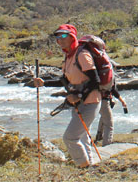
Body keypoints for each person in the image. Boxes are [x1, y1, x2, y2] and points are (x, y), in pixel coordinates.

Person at [33, 24, 101, 167]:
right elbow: (64, 81)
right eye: (58, 37)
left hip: (90, 102)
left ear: (72, 37)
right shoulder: (69, 56)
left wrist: (79, 95)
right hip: (78, 102)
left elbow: (95, 80)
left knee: (70, 138)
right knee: (82, 137)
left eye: (64, 36)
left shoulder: (82, 55)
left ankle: (83, 167)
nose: (60, 39)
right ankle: (90, 167)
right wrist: (44, 83)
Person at [95, 81, 127, 146]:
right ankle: (107, 145)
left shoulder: (98, 72)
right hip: (104, 100)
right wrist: (122, 101)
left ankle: (99, 136)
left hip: (95, 99)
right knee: (109, 124)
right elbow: (113, 89)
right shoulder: (109, 74)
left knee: (104, 116)